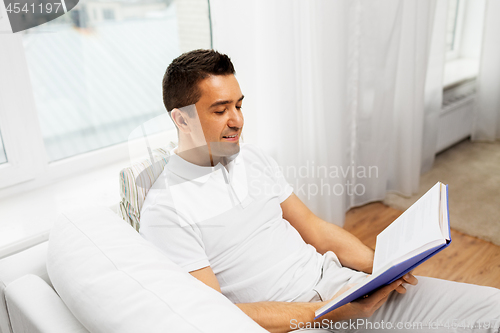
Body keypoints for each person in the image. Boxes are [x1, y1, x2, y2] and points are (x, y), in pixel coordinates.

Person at [139, 49, 500, 333]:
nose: (237, 120)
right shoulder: (166, 210)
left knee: (492, 312)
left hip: (340, 286)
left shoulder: (253, 159)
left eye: (239, 105)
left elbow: (313, 227)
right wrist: (326, 313)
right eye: (220, 110)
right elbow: (215, 315)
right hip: (293, 323)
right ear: (181, 118)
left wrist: (382, 267)